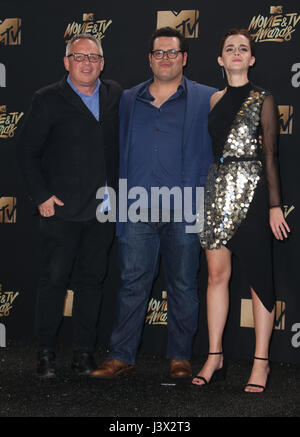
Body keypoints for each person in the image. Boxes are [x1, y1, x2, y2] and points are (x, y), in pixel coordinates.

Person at [91, 27, 217, 379]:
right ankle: (121, 355)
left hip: (186, 206)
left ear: (184, 58)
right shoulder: (129, 99)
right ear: (150, 58)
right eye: (159, 53)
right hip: (136, 207)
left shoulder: (208, 98)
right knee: (132, 283)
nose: (165, 58)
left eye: (172, 52)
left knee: (183, 284)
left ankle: (180, 357)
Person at [17, 34, 122, 377]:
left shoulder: (114, 95)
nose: (87, 62)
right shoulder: (47, 99)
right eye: (79, 57)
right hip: (60, 211)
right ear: (66, 62)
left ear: (102, 63)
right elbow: (26, 152)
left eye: (94, 57)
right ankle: (45, 354)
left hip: (102, 211)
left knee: (92, 283)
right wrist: (42, 196)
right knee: (53, 282)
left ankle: (83, 353)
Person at [192, 29, 290, 392]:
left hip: (253, 190)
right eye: (229, 48)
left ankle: (261, 363)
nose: (236, 53)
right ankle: (214, 356)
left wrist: (275, 205)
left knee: (258, 278)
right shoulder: (214, 99)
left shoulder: (264, 98)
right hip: (217, 190)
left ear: (251, 59)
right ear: (220, 59)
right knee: (216, 276)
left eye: (243, 49)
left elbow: (270, 155)